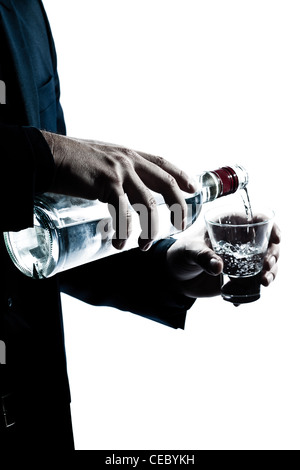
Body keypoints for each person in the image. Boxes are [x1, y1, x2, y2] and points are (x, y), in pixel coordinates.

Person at [0, 0, 280, 450]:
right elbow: (40, 166)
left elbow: (42, 222)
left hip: (34, 409)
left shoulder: (25, 11)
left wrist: (168, 265)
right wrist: (46, 154)